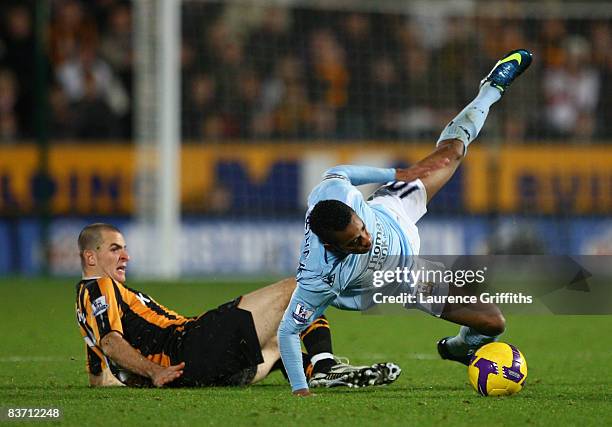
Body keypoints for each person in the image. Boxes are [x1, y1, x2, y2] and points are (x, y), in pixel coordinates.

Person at [278, 50, 533, 395]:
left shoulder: (335, 195)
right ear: (331, 246)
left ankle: (490, 89)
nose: (364, 240)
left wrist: (399, 174)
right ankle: (458, 348)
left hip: (392, 208)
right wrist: (299, 390)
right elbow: (288, 332)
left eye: (360, 229)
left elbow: (339, 172)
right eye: (353, 243)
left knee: (452, 153)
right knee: (493, 322)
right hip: (400, 279)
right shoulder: (317, 276)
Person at [75, 223, 401, 388]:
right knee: (299, 288)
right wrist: (155, 372)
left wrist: (136, 378)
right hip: (190, 346)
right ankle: (326, 364)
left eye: (125, 248)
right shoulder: (100, 286)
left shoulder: (91, 303)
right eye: (115, 249)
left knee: (275, 345)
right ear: (91, 257)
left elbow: (99, 367)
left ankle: (321, 373)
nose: (125, 256)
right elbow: (110, 342)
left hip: (198, 367)